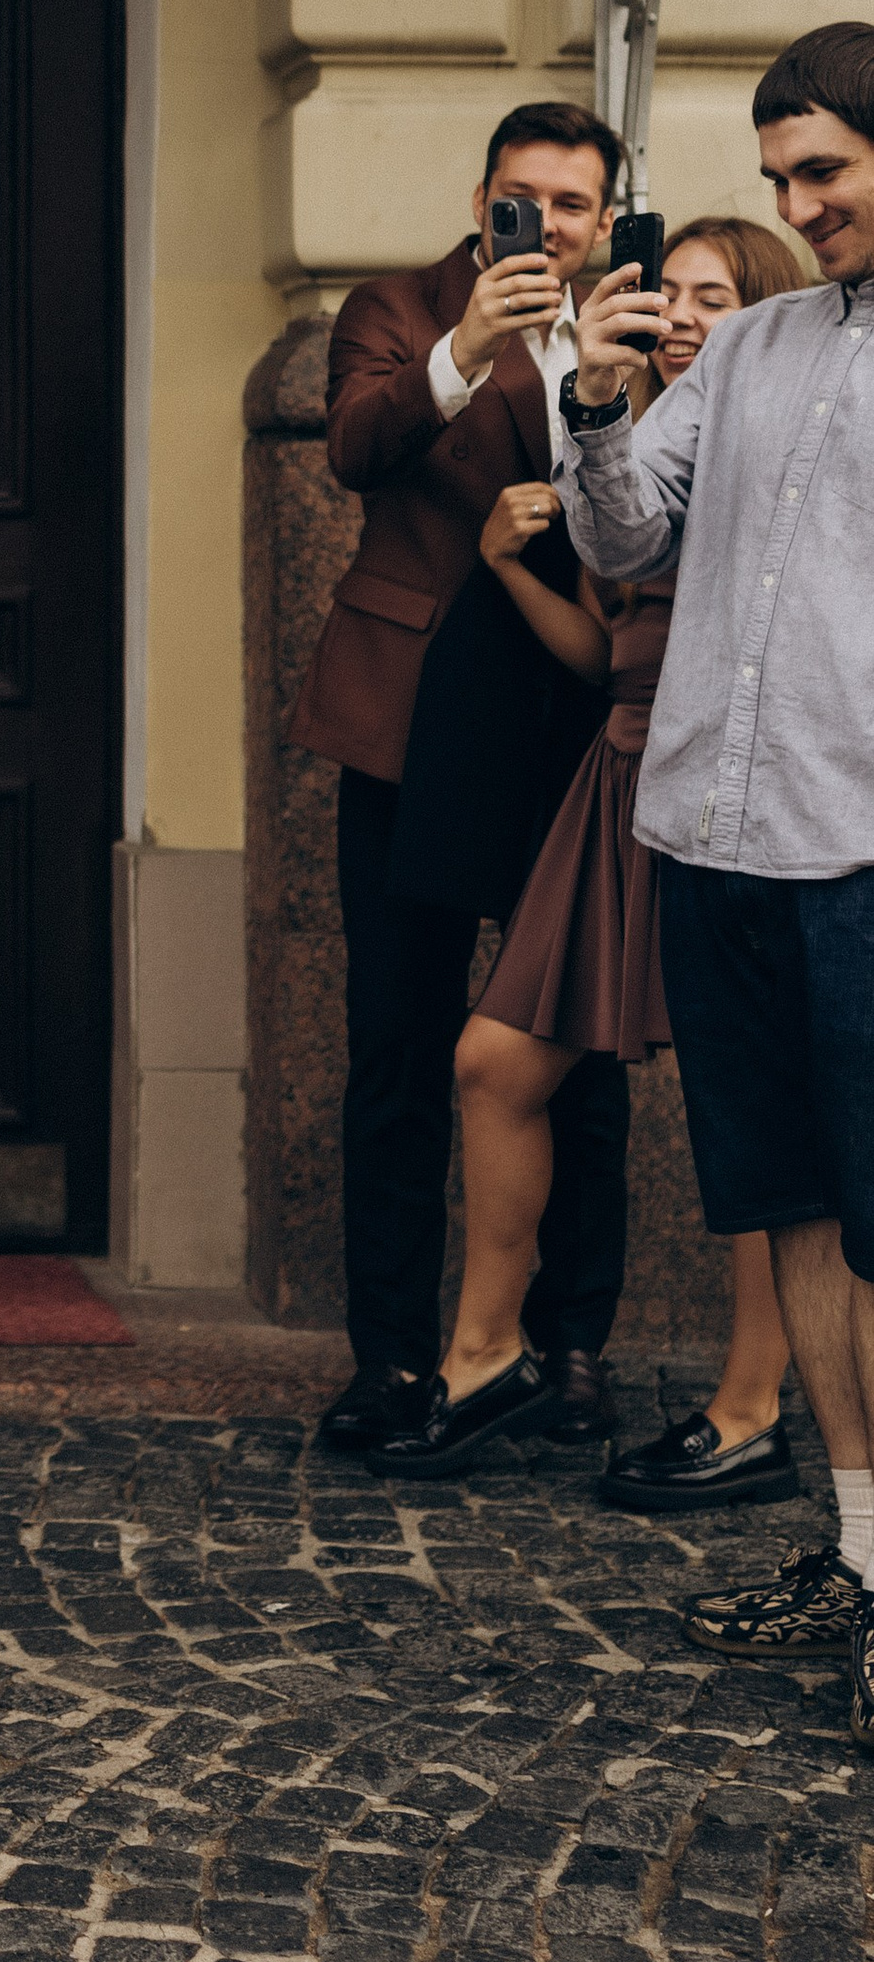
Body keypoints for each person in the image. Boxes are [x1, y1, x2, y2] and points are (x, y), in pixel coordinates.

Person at [367, 219, 807, 1481]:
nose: (681, 317)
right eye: (669, 293)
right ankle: (484, 1355)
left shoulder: (782, 439)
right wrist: (509, 567)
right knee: (493, 1062)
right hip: (618, 785)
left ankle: (749, 1408)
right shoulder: (637, 441)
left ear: (767, 321)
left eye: (714, 299)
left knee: (753, 1109)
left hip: (742, 789)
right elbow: (612, 658)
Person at [562, 23, 874, 1719]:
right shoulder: (747, 350)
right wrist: (596, 405)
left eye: (825, 172)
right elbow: (623, 538)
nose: (798, 205)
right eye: (778, 179)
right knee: (793, 1207)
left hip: (862, 849)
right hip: (720, 837)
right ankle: (863, 1550)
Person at [290, 100, 636, 1451]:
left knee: (579, 1055)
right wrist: (469, 346)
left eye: (570, 203)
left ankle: (570, 1345)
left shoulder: (629, 321)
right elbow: (354, 450)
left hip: (572, 726)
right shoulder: (399, 309)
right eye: (519, 198)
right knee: (398, 1042)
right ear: (481, 199)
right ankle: (390, 1358)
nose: (544, 224)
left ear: (605, 217)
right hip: (412, 722)